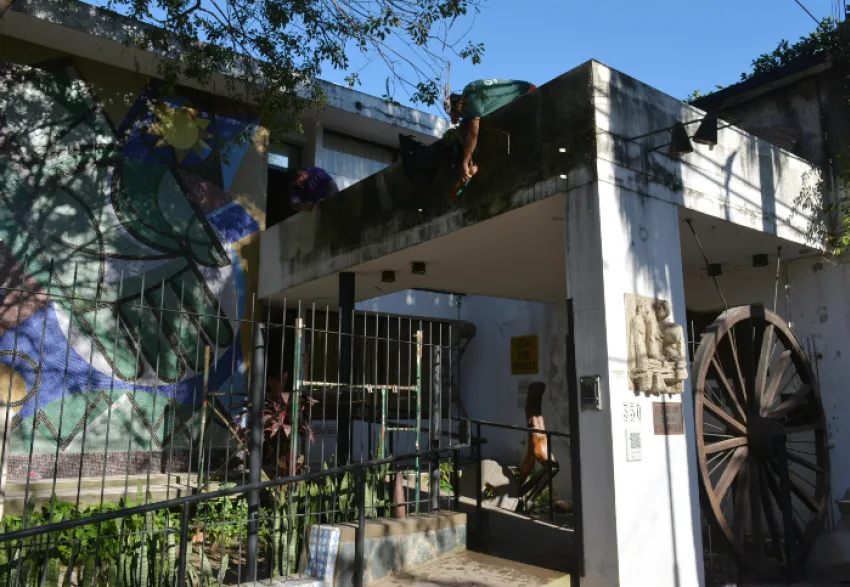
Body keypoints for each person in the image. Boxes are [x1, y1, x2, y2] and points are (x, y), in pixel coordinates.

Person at [447, 79, 536, 183]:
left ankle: (474, 167)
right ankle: (472, 165)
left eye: (451, 113)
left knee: (476, 128)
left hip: (526, 93)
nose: (451, 118)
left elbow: (473, 135)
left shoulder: (472, 103)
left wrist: (464, 163)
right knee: (468, 127)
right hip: (519, 94)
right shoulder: (468, 95)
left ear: (458, 106)